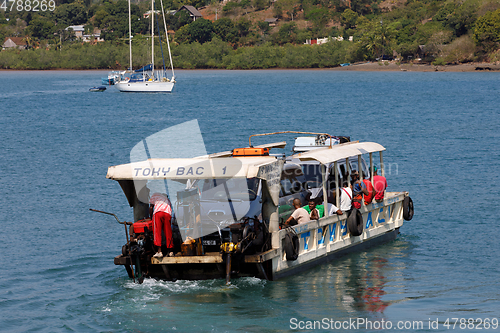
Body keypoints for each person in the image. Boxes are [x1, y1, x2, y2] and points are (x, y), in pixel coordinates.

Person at [149, 192, 174, 258]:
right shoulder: (167, 198)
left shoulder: (154, 195)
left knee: (157, 232)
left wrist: (150, 217)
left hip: (158, 213)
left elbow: (151, 207)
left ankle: (159, 252)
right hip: (167, 213)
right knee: (168, 232)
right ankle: (171, 251)